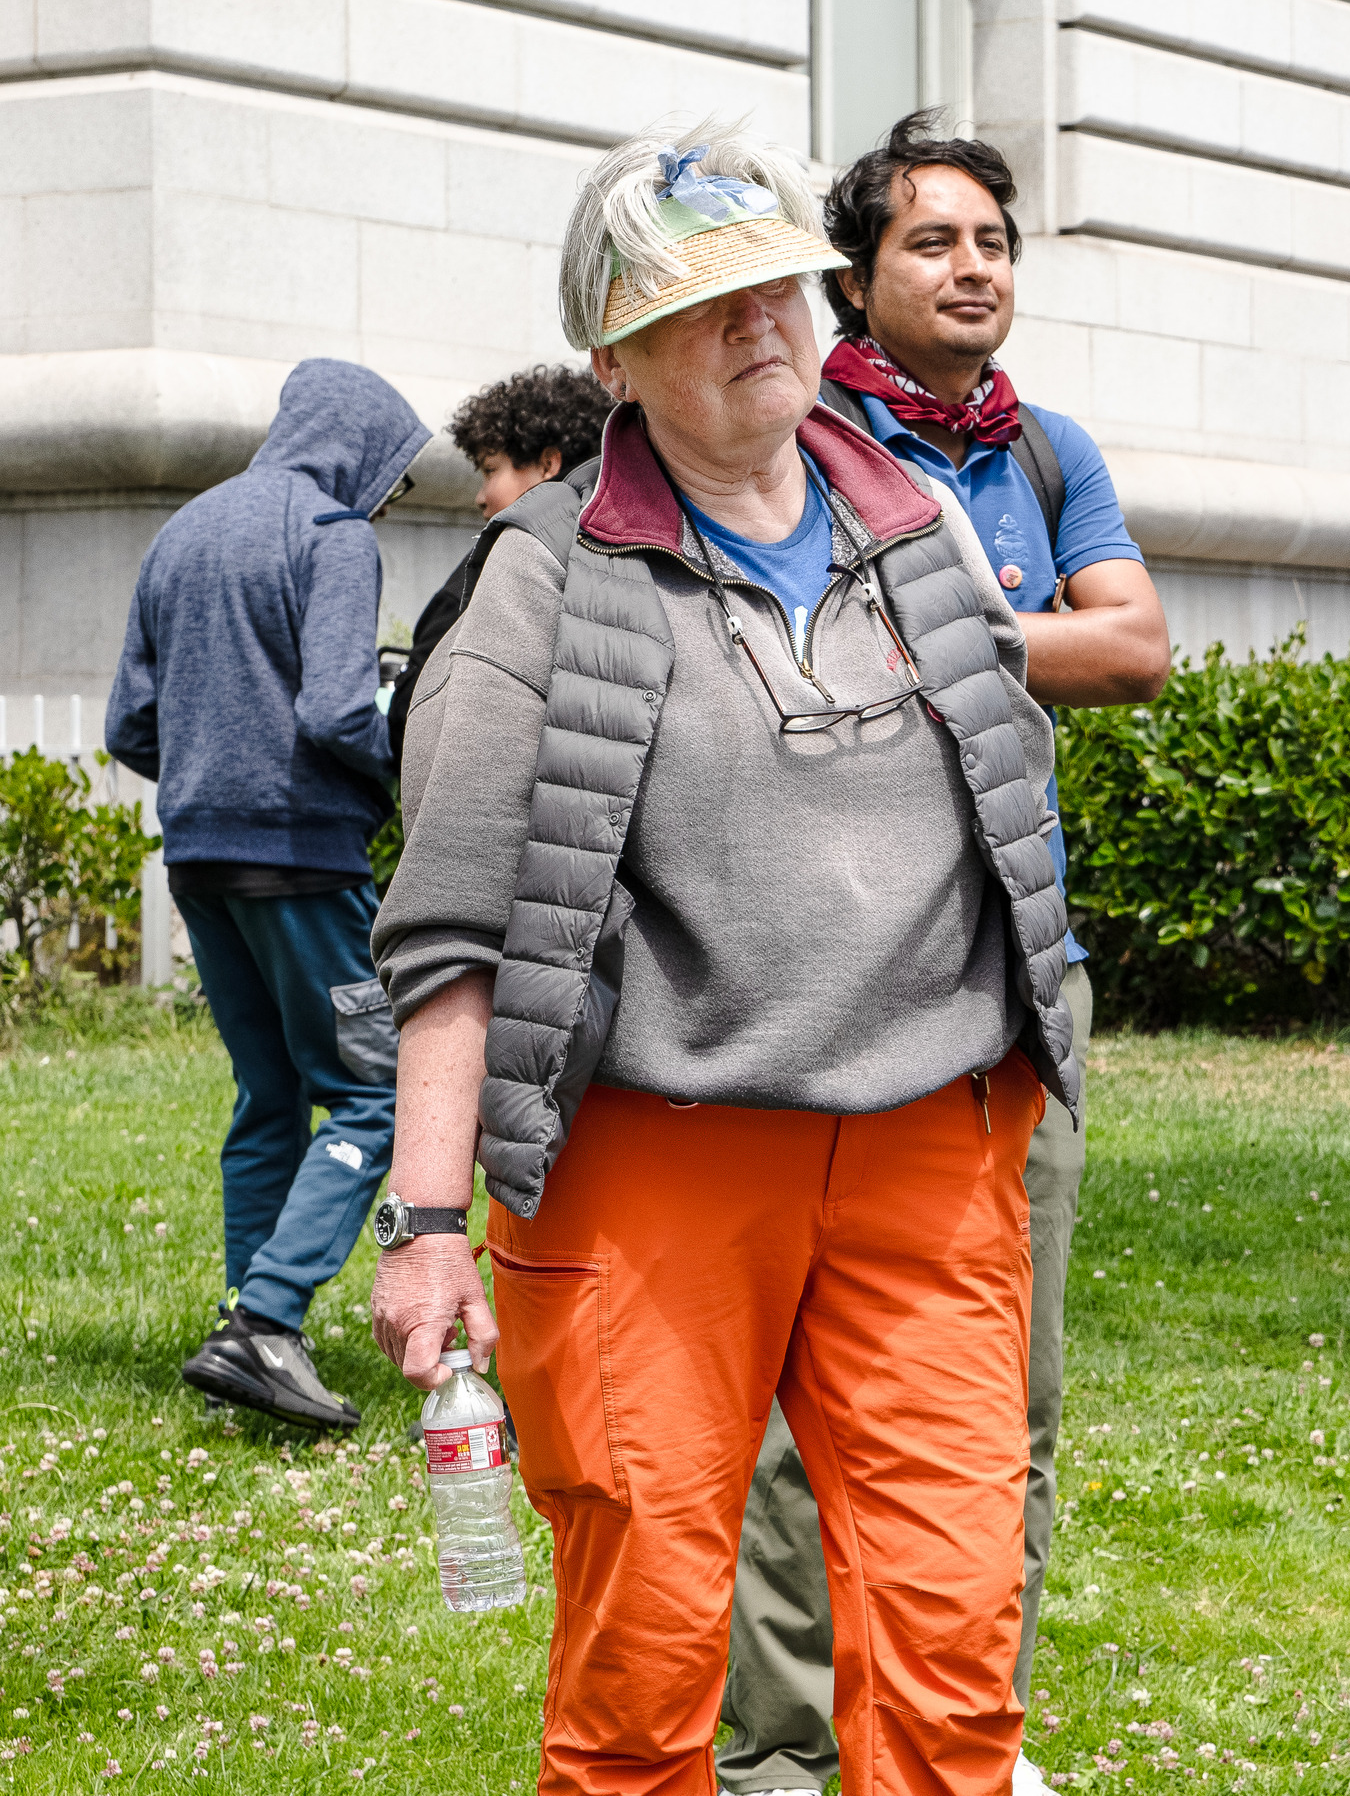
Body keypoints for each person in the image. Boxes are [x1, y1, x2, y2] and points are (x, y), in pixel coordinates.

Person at [368, 124, 1075, 1796]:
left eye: (773, 285)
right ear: (611, 356)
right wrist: (422, 1219)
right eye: (699, 304)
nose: (755, 323)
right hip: (648, 1169)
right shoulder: (534, 587)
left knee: (956, 1643)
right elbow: (454, 925)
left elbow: (1010, 808)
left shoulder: (927, 530)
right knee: (646, 1662)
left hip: (931, 1150)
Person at [720, 109, 1168, 1796]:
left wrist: (957, 623)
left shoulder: (1044, 450)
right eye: (934, 240)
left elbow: (1137, 649)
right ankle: (782, 1738)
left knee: (1006, 1389)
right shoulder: (791, 437)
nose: (972, 267)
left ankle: (969, 1723)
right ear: (856, 275)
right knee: (788, 1397)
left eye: (992, 242)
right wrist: (1016, 633)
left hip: (1013, 982)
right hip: (815, 975)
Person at [106, 358, 426, 1432]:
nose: (388, 497)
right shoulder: (334, 536)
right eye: (393, 474)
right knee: (378, 1090)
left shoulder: (181, 532)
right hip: (306, 862)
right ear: (358, 449)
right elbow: (340, 711)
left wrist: (212, 775)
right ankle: (271, 1318)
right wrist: (416, 777)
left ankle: (250, 1323)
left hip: (200, 862)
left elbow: (126, 728)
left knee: (267, 1094)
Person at [387, 363, 615, 768]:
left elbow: (412, 709)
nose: (479, 496)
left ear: (548, 464)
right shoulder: (616, 558)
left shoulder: (498, 562)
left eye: (490, 470)